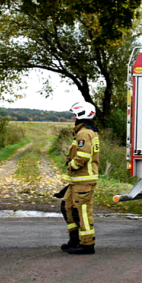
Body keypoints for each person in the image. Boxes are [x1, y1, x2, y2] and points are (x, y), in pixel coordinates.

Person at [60, 101, 101, 255]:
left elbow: (83, 156)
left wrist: (72, 165)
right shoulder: (84, 131)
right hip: (77, 181)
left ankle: (87, 244)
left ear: (81, 115)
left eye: (75, 115)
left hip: (83, 180)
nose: (73, 118)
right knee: (67, 207)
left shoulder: (84, 133)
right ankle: (75, 240)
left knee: (82, 212)